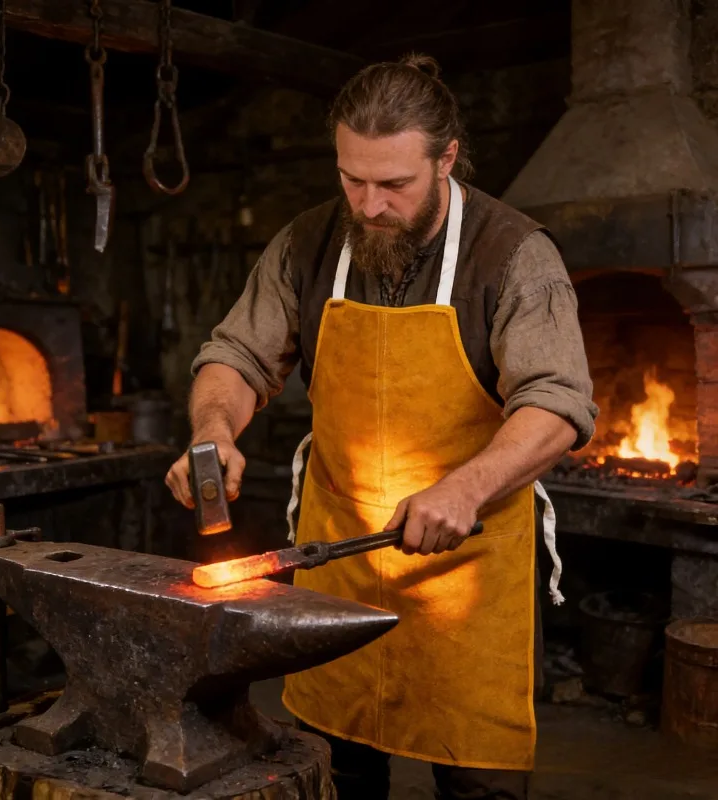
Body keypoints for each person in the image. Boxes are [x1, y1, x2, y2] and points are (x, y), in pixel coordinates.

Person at [166, 54, 597, 800]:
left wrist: (463, 489)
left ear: (446, 158)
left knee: (476, 783)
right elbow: (236, 355)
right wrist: (214, 430)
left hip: (470, 564)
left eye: (393, 184)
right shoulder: (306, 243)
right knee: (338, 769)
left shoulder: (515, 254)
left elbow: (558, 403)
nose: (368, 205)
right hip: (344, 560)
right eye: (351, 179)